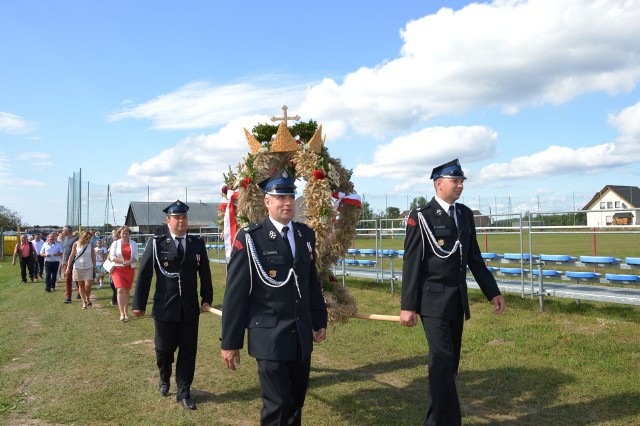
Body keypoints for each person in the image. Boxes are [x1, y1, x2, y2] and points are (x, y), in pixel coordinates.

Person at [399, 158, 506, 426]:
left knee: (449, 366)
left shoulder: (465, 214)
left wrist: (492, 292)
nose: (460, 186)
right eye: (455, 181)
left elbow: (474, 258)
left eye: (461, 181)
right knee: (442, 361)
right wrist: (408, 305)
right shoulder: (420, 217)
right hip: (431, 300)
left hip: (457, 301)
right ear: (439, 184)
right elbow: (412, 263)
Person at [221, 170, 328, 426]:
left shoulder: (305, 235)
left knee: (296, 401)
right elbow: (235, 295)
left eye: (290, 195)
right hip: (269, 335)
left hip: (300, 335)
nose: (287, 202)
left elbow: (310, 283)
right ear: (267, 202)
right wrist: (230, 342)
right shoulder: (250, 238)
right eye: (280, 197)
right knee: (277, 404)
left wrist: (319, 320)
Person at [133, 200, 213, 410]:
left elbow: (205, 273)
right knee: (163, 350)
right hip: (164, 308)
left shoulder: (197, 244)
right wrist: (139, 303)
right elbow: (144, 275)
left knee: (188, 351)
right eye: (177, 218)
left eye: (184, 217)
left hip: (189, 310)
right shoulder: (157, 243)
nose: (181, 221)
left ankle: (184, 391)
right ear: (168, 221)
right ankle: (164, 377)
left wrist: (206, 298)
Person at [110, 226, 139, 322]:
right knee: (120, 290)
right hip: (117, 269)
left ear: (129, 234)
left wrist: (130, 262)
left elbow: (136, 257)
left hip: (129, 269)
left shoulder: (133, 243)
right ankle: (121, 313)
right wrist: (122, 261)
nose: (125, 235)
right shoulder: (115, 243)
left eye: (126, 233)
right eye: (123, 233)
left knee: (126, 291)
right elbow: (112, 256)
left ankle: (126, 312)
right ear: (119, 234)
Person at [66, 230, 97, 309]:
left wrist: (94, 266)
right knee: (81, 285)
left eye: (90, 238)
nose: (88, 239)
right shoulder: (76, 244)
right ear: (83, 237)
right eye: (87, 238)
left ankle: (88, 297)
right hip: (78, 266)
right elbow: (72, 256)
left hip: (88, 266)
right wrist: (68, 267)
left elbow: (93, 256)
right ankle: (84, 302)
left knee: (88, 284)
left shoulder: (91, 245)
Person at [61, 226, 80, 301]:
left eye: (63, 230)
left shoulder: (76, 239)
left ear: (67, 231)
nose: (62, 231)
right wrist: (63, 261)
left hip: (75, 262)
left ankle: (80, 293)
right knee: (68, 280)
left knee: (77, 279)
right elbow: (64, 251)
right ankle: (68, 297)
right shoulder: (65, 239)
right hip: (66, 262)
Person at [107, 229, 119, 307]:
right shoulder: (112, 244)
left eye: (115, 237)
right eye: (113, 237)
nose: (114, 239)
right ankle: (115, 300)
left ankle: (115, 300)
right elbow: (109, 256)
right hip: (112, 267)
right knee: (112, 284)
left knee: (118, 286)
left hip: (119, 266)